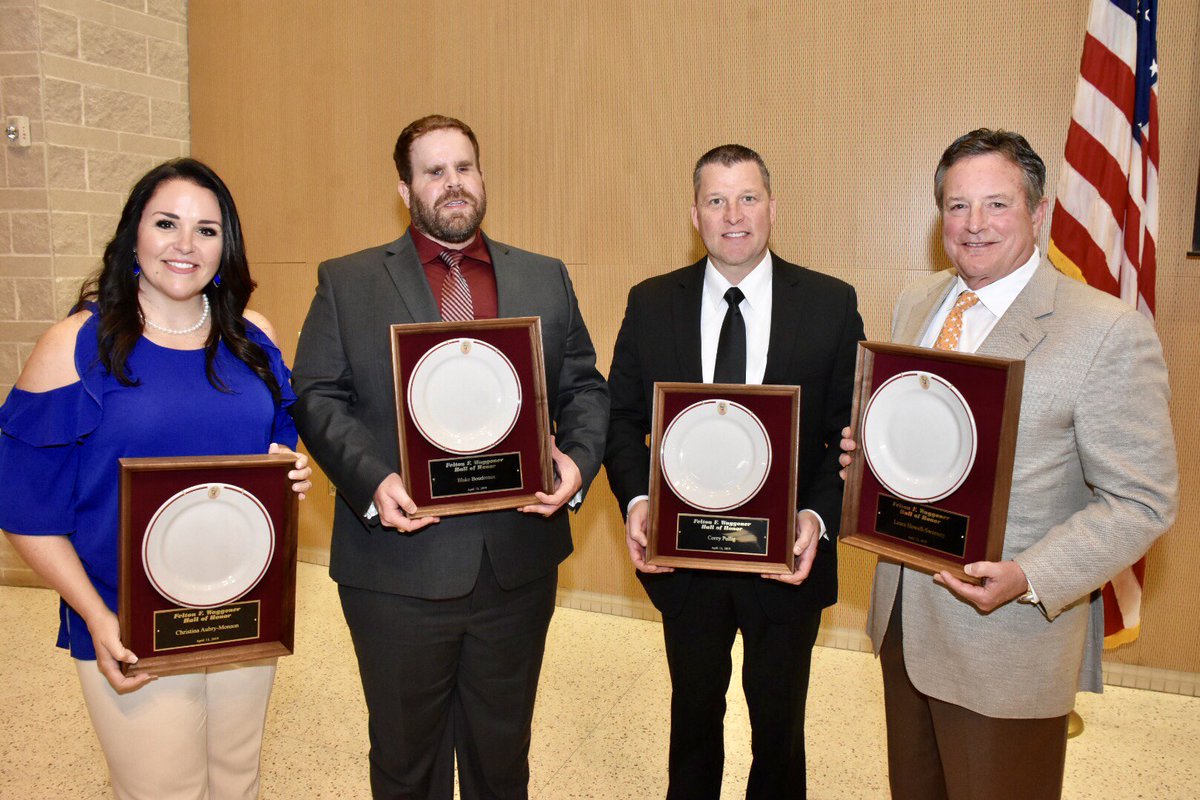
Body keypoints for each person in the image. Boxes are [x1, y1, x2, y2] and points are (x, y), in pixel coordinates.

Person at [840, 129, 1179, 800]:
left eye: (996, 204)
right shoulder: (918, 301)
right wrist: (871, 454)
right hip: (904, 620)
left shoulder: (1106, 330)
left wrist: (1029, 576)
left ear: (1039, 212)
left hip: (1006, 639)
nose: (974, 225)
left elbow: (1142, 501)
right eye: (958, 207)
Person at [290, 114, 608, 800]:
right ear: (405, 189)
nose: (453, 184)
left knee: (503, 760)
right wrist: (372, 481)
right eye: (434, 171)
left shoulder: (544, 277)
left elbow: (585, 387)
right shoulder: (347, 283)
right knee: (408, 764)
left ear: (482, 177)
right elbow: (316, 395)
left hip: (515, 567)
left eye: (465, 167)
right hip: (396, 572)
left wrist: (577, 466)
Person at [0, 157, 313, 800]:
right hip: (126, 620)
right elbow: (26, 509)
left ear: (226, 247)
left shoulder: (253, 338)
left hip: (242, 611)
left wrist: (289, 468)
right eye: (166, 223)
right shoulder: (74, 347)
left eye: (207, 229)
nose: (184, 244)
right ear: (132, 238)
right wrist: (95, 616)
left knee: (236, 781)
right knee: (163, 791)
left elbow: (278, 436)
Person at [604, 144, 864, 799]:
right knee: (693, 723)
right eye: (716, 200)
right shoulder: (651, 301)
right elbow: (619, 419)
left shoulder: (832, 304)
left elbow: (849, 434)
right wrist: (638, 502)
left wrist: (816, 517)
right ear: (695, 214)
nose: (733, 215)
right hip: (685, 564)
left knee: (780, 733)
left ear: (773, 208)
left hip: (787, 565)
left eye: (747, 197)